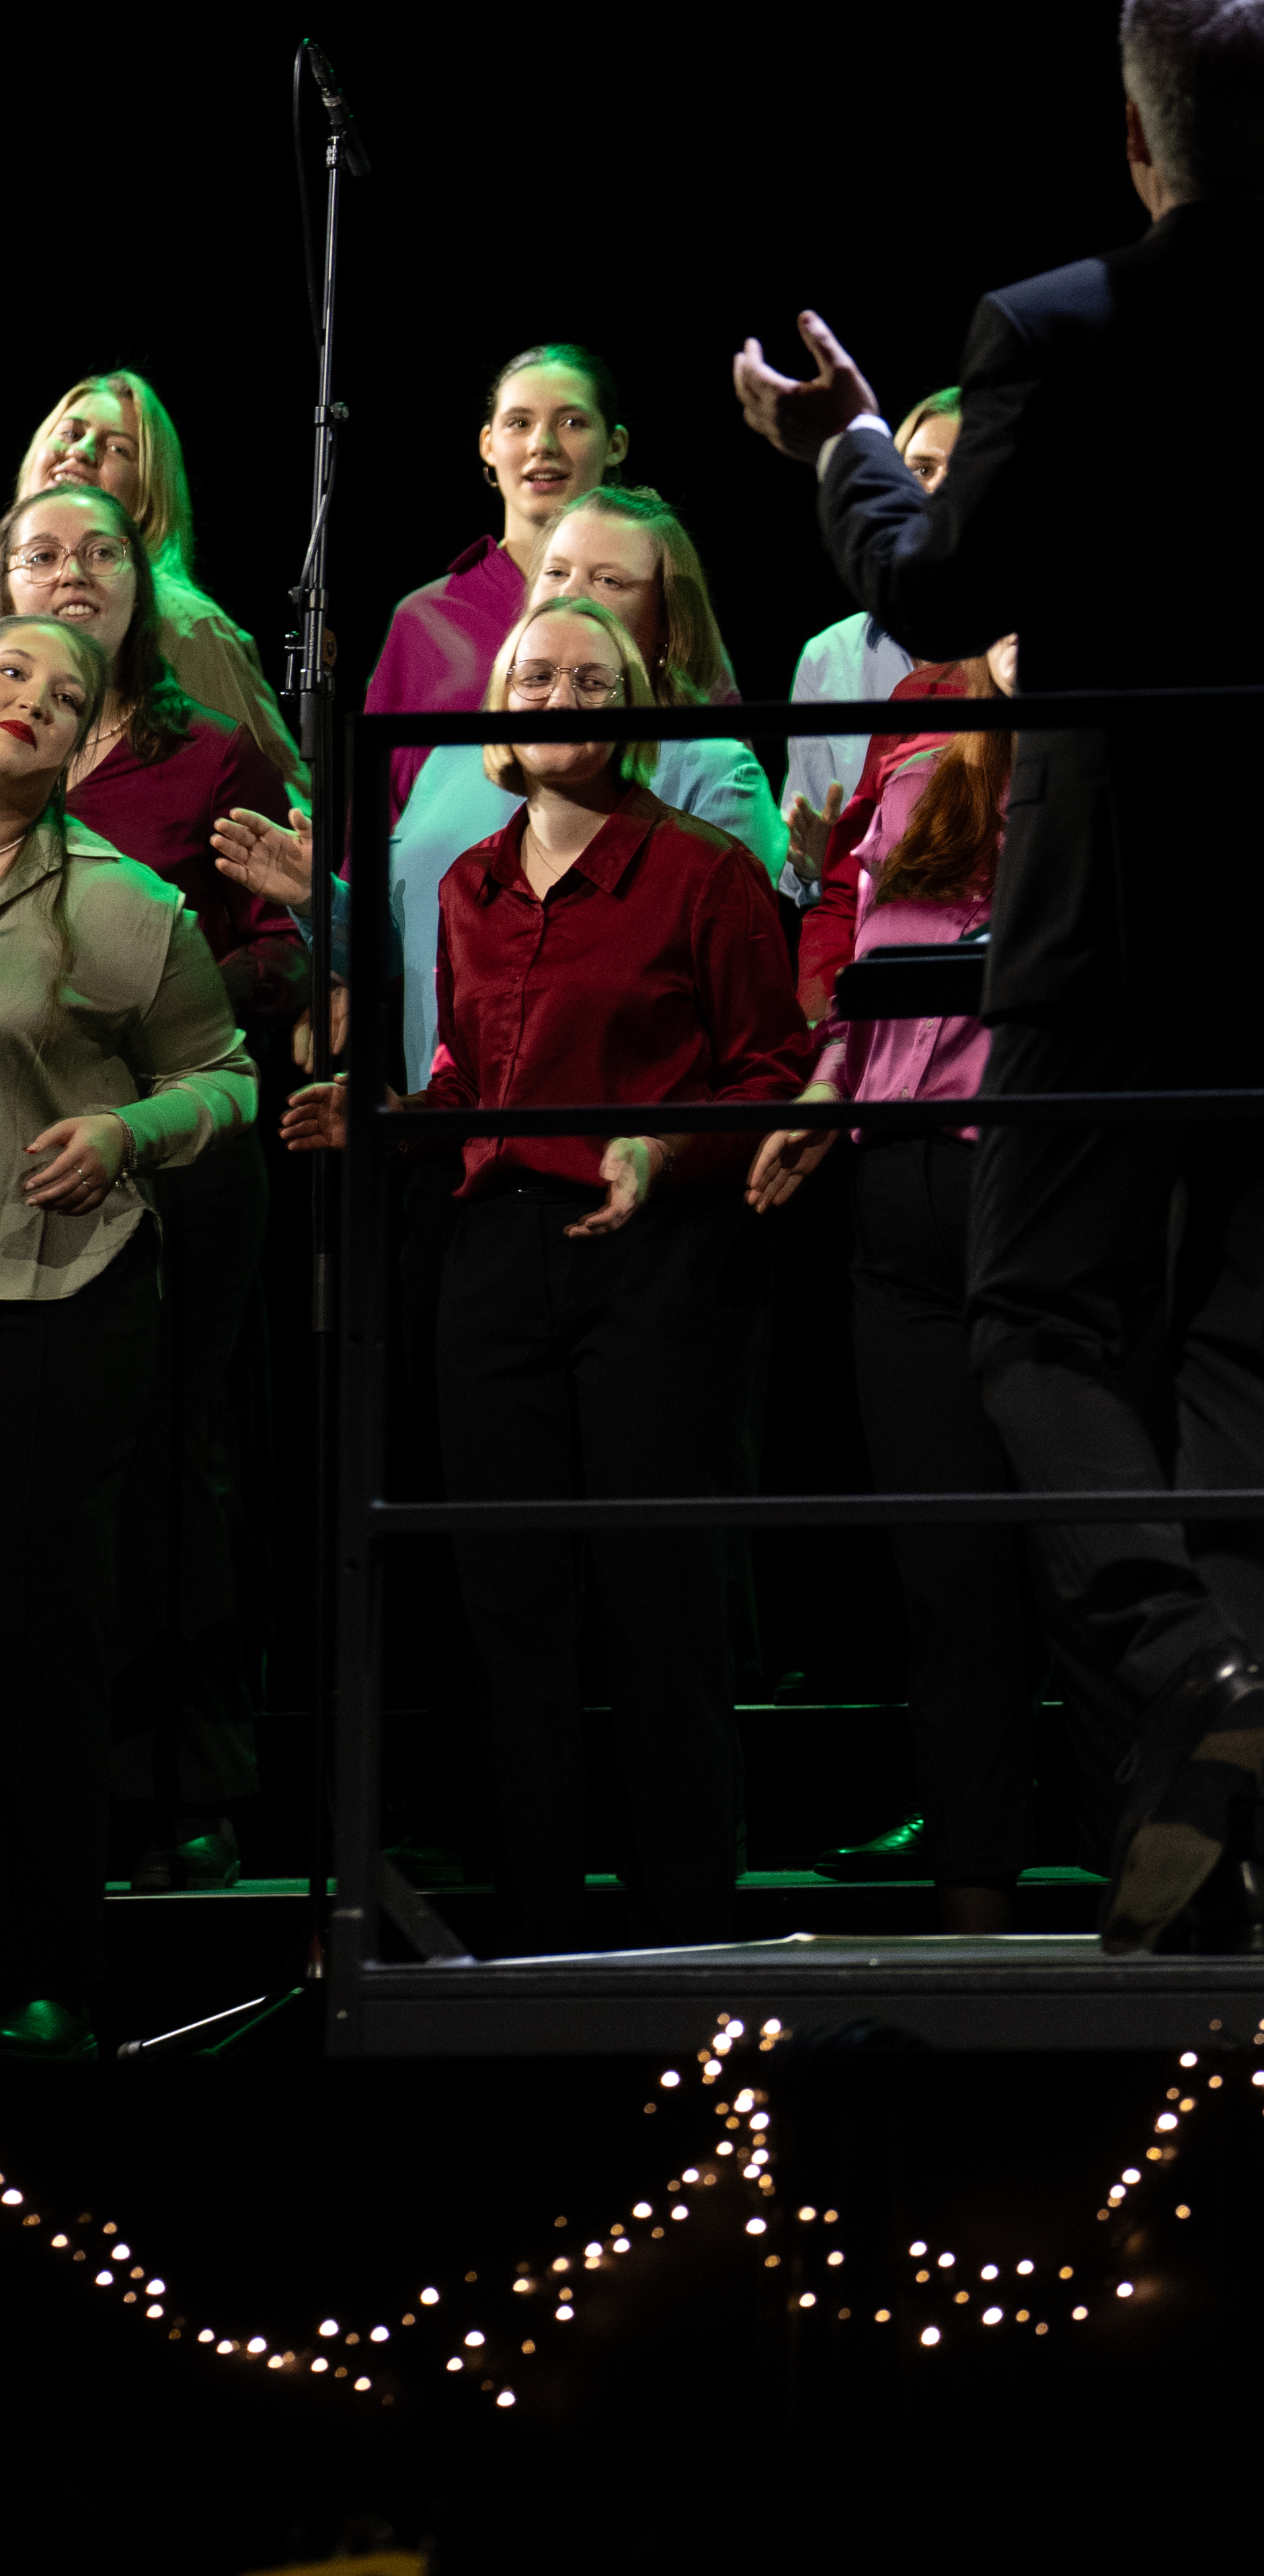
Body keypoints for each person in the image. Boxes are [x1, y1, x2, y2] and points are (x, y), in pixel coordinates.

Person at [734, 0, 1264, 1958]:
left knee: (1035, 1321)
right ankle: (1223, 1841)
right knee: (1257, 1360)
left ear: (1136, 136)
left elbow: (936, 596)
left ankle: (1182, 1668)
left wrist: (842, 446)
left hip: (1109, 910)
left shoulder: (1050, 329)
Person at [289, 600, 804, 1954]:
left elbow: (771, 1074)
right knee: (508, 1611)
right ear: (499, 712)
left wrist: (663, 1150)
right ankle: (532, 1939)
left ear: (631, 709)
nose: (560, 693)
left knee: (656, 1603)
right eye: (535, 675)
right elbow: (473, 1079)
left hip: (651, 1257)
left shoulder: (699, 871)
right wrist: (386, 1118)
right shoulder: (468, 881)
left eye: (589, 675)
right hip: (494, 1260)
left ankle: (684, 1935)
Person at [9, 483, 300, 1886]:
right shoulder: (18, 725)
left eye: (101, 552)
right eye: (41, 553)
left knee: (172, 1464)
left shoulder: (211, 752)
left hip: (167, 1157)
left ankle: (188, 1779)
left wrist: (139, 1051)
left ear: (143, 579)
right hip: (24, 1160)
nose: (73, 573)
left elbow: (280, 952)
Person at [749, 641, 1035, 1932]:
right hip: (897, 1198)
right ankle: (974, 1887)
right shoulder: (915, 778)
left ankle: (1149, 1880)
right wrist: (824, 1090)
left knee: (1083, 1557)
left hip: (1038, 1190)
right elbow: (866, 984)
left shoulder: (1114, 791)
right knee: (946, 1568)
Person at [0, 611, 255, 2061]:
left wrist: (126, 1131)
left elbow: (224, 1075)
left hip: (57, 1298)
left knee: (40, 1634)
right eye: (8, 672)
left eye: (64, 690)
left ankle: (46, 1960)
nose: (31, 698)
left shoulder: (119, 901)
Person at [219, 486, 793, 1094]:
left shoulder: (712, 771)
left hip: (616, 1141)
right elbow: (407, 959)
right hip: (449, 1132)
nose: (573, 595)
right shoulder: (451, 759)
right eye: (556, 572)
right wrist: (320, 903)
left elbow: (746, 1018)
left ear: (667, 630)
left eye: (609, 580)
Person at [373, 343, 629, 807]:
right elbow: (378, 806)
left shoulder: (647, 596)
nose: (542, 445)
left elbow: (718, 770)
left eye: (572, 422)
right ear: (488, 444)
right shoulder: (426, 619)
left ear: (615, 445)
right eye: (519, 423)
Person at [23, 373, 298, 769]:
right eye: (70, 433)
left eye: (118, 449)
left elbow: (274, 788)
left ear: (149, 496)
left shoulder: (183, 623)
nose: (81, 451)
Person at [781, 387, 960, 846]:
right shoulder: (830, 655)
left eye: (961, 471)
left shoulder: (1016, 652)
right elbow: (802, 848)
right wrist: (816, 859)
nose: (938, 488)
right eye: (922, 470)